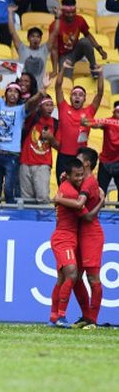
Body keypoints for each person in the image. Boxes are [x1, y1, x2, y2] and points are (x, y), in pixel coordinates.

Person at [47, 158, 103, 328]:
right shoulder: (71, 192)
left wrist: (57, 198)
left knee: (65, 277)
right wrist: (101, 201)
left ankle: (56, 316)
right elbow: (85, 214)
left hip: (75, 237)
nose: (80, 178)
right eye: (76, 175)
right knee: (72, 274)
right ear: (70, 175)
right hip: (65, 238)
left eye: (81, 175)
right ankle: (62, 316)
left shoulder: (72, 185)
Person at [0, 75, 49, 203]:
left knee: (8, 189)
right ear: (5, 94)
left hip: (12, 156)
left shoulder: (21, 110)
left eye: (16, 92)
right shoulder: (0, 104)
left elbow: (32, 102)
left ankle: (10, 218)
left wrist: (42, 91)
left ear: (19, 96)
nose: (12, 94)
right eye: (10, 91)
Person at [54, 60, 103, 184]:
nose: (77, 96)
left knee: (79, 190)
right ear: (70, 97)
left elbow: (100, 93)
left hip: (80, 157)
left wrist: (101, 74)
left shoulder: (89, 111)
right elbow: (58, 86)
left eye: (80, 95)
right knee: (63, 187)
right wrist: (63, 68)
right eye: (74, 94)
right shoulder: (63, 108)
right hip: (63, 156)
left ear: (85, 98)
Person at [72, 147, 105, 328]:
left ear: (87, 163)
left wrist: (101, 202)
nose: (75, 162)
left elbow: (87, 217)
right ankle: (86, 316)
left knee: (93, 279)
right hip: (79, 233)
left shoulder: (89, 183)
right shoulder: (81, 181)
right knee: (75, 277)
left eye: (78, 159)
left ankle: (93, 319)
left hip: (91, 234)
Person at [50, 0, 107, 79]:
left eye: (73, 12)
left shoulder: (80, 20)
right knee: (66, 79)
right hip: (63, 55)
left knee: (85, 41)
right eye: (68, 13)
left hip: (76, 50)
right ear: (62, 12)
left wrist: (99, 49)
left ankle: (93, 68)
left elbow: (88, 35)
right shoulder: (55, 25)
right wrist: (54, 70)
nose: (71, 15)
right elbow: (54, 49)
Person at [19, 95, 58, 203]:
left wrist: (51, 138)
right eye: (47, 105)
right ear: (40, 107)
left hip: (43, 165)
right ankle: (28, 220)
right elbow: (29, 106)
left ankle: (43, 220)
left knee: (43, 197)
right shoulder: (32, 118)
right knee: (26, 199)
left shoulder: (55, 123)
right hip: (25, 163)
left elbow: (59, 146)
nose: (50, 108)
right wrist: (42, 91)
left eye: (51, 105)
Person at [8, 5, 58, 88]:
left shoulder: (44, 49)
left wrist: (58, 17)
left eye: (38, 37)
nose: (35, 39)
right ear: (28, 38)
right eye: (33, 36)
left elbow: (55, 33)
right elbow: (13, 33)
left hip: (39, 90)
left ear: (41, 39)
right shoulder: (22, 49)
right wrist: (10, 13)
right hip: (23, 89)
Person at [84, 102, 119, 200]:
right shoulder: (108, 121)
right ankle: (97, 214)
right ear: (114, 111)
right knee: (99, 192)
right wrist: (86, 122)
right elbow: (96, 124)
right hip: (105, 163)